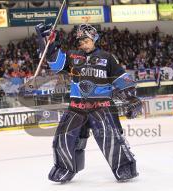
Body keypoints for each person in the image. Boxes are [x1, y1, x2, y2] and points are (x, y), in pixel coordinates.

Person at [35, 23, 142, 183]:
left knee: (110, 138)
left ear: (94, 39)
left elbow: (122, 79)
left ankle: (124, 166)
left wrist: (132, 98)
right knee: (63, 138)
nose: (83, 44)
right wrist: (48, 44)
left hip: (101, 107)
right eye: (80, 41)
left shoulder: (107, 57)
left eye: (86, 40)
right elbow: (56, 64)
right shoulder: (72, 56)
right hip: (77, 106)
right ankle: (64, 168)